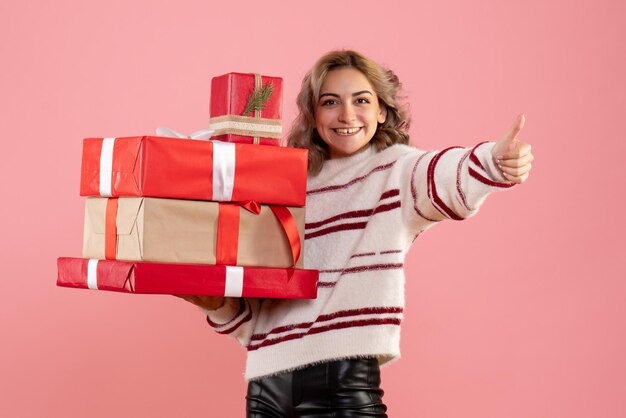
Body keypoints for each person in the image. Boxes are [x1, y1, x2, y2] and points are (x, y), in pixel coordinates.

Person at [178, 49, 534, 417]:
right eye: (330, 102)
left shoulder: (396, 171)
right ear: (313, 114)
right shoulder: (285, 183)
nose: (346, 115)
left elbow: (444, 173)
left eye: (361, 100)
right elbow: (258, 314)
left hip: (342, 384)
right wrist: (217, 305)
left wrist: (494, 160)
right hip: (265, 387)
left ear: (382, 110)